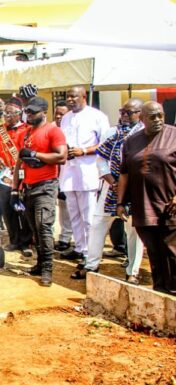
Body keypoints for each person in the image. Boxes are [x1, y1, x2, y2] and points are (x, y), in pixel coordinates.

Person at [73, 99, 144, 282]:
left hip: (136, 189)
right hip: (111, 186)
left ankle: (132, 271)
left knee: (133, 230)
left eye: (129, 112)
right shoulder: (112, 133)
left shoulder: (144, 134)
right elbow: (101, 160)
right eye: (122, 112)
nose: (124, 115)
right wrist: (113, 182)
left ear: (140, 114)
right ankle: (91, 265)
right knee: (98, 224)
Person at [118, 101, 176, 295]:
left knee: (171, 251)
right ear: (142, 118)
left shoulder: (174, 136)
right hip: (143, 205)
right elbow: (124, 174)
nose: (158, 120)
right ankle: (160, 292)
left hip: (170, 205)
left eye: (161, 115)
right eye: (152, 117)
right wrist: (120, 202)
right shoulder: (131, 141)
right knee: (153, 251)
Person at [12, 97, 68, 287]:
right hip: (28, 187)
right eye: (27, 112)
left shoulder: (53, 131)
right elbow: (19, 162)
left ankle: (47, 269)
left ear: (44, 112)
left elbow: (61, 156)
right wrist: (14, 189)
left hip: (46, 185)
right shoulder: (25, 133)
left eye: (33, 112)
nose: (29, 115)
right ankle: (39, 263)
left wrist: (36, 155)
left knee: (44, 226)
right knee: (35, 228)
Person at [59, 86, 110, 265]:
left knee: (88, 217)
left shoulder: (97, 116)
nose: (70, 100)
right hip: (68, 171)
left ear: (84, 96)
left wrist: (84, 150)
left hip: (87, 171)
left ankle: (90, 253)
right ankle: (79, 248)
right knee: (74, 214)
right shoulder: (65, 118)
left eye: (74, 96)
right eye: (68, 96)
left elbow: (105, 144)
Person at [0, 101, 32, 255]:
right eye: (5, 113)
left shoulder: (27, 129)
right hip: (6, 174)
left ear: (19, 114)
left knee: (24, 208)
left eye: (10, 113)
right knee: (7, 208)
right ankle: (14, 239)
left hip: (23, 173)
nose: (7, 116)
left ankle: (26, 242)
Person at [53, 101, 73, 252]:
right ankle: (64, 238)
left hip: (71, 174)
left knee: (72, 208)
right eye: (57, 113)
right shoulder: (51, 128)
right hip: (54, 175)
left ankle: (73, 238)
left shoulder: (71, 129)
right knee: (62, 206)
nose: (59, 116)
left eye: (62, 114)